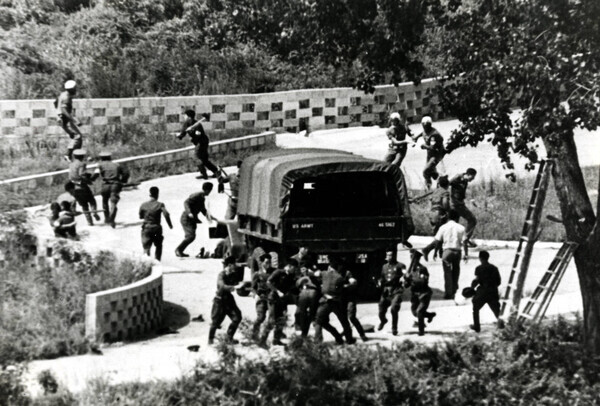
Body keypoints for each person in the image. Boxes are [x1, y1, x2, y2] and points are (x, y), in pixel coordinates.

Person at [422, 210, 469, 300]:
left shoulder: (443, 227)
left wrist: (435, 252)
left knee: (447, 273)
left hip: (447, 252)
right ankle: (454, 291)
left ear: (448, 217)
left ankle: (448, 293)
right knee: (456, 272)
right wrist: (466, 254)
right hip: (457, 252)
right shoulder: (461, 228)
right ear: (457, 218)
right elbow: (465, 242)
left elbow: (437, 241)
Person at [313, 257, 356, 345]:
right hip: (337, 302)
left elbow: (316, 274)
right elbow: (346, 286)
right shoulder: (340, 277)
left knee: (318, 321)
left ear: (329, 266)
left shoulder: (324, 273)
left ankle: (318, 342)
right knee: (344, 321)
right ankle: (349, 339)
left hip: (325, 301)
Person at [259, 260, 298, 346]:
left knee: (282, 320)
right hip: (273, 299)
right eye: (294, 268)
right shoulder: (278, 272)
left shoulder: (291, 276)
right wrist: (277, 291)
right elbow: (268, 282)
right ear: (289, 266)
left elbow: (292, 287)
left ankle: (276, 340)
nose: (294, 270)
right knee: (272, 321)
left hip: (282, 300)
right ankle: (262, 341)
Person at [208, 256, 244, 345]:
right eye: (234, 264)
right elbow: (222, 286)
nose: (236, 266)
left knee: (237, 317)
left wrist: (241, 285)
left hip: (229, 300)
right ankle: (210, 340)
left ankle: (229, 337)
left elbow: (236, 283)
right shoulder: (221, 275)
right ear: (230, 265)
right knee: (216, 322)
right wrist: (233, 287)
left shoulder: (233, 274)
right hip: (220, 300)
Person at [177, 110, 220, 179]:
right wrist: (180, 136)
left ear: (189, 117)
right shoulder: (186, 123)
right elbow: (183, 132)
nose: (184, 117)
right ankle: (216, 171)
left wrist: (192, 132)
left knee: (196, 157)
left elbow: (198, 135)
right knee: (204, 159)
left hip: (202, 142)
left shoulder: (197, 125)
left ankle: (203, 174)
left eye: (185, 115)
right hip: (198, 142)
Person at [175, 182, 214, 258]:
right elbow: (186, 203)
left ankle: (180, 250)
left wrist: (210, 217)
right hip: (186, 218)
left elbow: (203, 210)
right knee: (190, 236)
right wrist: (189, 212)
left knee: (191, 236)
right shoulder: (197, 195)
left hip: (192, 219)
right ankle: (178, 250)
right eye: (210, 190)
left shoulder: (202, 197)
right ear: (208, 190)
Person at [404, 250, 436, 336]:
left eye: (414, 258)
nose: (412, 260)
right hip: (415, 294)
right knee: (415, 312)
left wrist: (410, 278)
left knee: (419, 311)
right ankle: (430, 315)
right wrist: (406, 279)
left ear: (418, 259)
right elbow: (406, 285)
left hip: (424, 293)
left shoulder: (422, 269)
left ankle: (421, 331)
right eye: (411, 257)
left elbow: (422, 281)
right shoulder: (410, 270)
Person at [470, 251, 503, 332]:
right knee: (497, 311)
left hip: (482, 292)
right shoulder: (494, 268)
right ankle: (502, 326)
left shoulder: (478, 268)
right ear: (488, 258)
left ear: (480, 258)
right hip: (493, 292)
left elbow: (476, 280)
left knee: (475, 308)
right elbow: (498, 282)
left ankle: (477, 326)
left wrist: (472, 287)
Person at [94, 151, 130, 228]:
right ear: (110, 157)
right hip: (115, 185)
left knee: (105, 201)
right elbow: (126, 173)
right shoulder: (117, 165)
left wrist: (90, 179)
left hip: (105, 185)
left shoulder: (100, 165)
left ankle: (107, 218)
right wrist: (123, 181)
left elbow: (96, 174)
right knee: (113, 202)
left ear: (101, 158)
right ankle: (112, 218)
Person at [139, 186, 173, 261]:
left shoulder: (143, 205)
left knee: (146, 247)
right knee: (158, 245)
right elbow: (166, 214)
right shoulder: (160, 204)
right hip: (156, 228)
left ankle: (146, 263)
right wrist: (170, 225)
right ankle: (157, 261)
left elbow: (140, 217)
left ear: (150, 194)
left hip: (146, 228)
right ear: (157, 194)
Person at [68, 149, 100, 226]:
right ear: (82, 156)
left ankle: (89, 221)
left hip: (75, 187)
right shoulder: (81, 164)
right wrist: (89, 180)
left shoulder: (71, 164)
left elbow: (71, 176)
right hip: (82, 186)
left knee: (84, 205)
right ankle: (94, 211)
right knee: (92, 201)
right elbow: (82, 175)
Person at [378, 251, 406, 336]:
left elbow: (405, 275)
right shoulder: (384, 266)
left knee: (394, 308)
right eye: (387, 255)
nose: (389, 257)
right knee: (381, 309)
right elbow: (382, 277)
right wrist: (379, 282)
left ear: (394, 256)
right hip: (386, 291)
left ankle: (394, 328)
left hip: (396, 290)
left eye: (390, 255)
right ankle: (383, 320)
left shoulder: (401, 265)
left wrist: (404, 278)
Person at [412, 116, 445, 189]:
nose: (425, 127)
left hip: (436, 154)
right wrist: (416, 137)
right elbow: (423, 133)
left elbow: (432, 148)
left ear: (430, 125)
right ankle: (439, 180)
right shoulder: (425, 130)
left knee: (425, 171)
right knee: (430, 171)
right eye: (423, 125)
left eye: (426, 126)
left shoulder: (434, 134)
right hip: (430, 154)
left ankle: (431, 186)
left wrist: (424, 146)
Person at [55, 80, 83, 161]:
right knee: (77, 136)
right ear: (71, 89)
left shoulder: (63, 94)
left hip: (62, 119)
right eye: (75, 88)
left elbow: (56, 103)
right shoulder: (66, 97)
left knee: (74, 137)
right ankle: (68, 155)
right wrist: (74, 120)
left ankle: (76, 156)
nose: (76, 90)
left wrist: (58, 114)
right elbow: (64, 110)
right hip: (65, 119)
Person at [450, 168, 478, 247]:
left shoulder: (465, 181)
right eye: (472, 177)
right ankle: (465, 240)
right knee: (472, 220)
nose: (473, 179)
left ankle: (457, 242)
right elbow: (447, 183)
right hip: (456, 205)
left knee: (454, 224)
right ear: (468, 174)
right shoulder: (458, 177)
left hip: (458, 204)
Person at [342, 263, 368, 342]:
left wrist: (347, 285)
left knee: (351, 317)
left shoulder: (347, 273)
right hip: (340, 299)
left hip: (350, 298)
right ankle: (347, 332)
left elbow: (353, 282)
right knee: (343, 318)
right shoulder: (332, 272)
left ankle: (362, 334)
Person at [251, 254, 275, 341]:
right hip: (261, 297)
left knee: (272, 319)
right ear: (262, 263)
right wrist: (255, 295)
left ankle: (264, 338)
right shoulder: (257, 274)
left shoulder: (274, 272)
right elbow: (253, 287)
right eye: (266, 262)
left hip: (271, 297)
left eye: (270, 262)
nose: (268, 264)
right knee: (261, 317)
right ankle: (254, 334)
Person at [294, 260, 320, 337]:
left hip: (313, 292)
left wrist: (312, 274)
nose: (303, 270)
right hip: (303, 293)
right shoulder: (299, 276)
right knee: (301, 313)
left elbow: (318, 282)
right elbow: (296, 285)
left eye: (304, 268)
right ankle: (303, 333)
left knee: (313, 314)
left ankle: (318, 335)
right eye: (302, 269)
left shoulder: (314, 273)